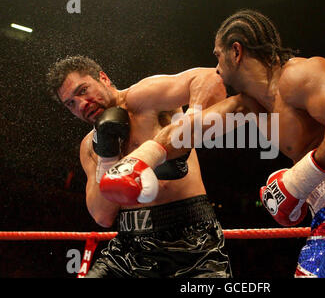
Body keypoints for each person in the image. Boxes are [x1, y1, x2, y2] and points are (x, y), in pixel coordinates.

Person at [126, 9, 325, 277]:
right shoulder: (248, 105)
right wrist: (139, 161)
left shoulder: (298, 75)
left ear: (236, 51)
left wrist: (297, 181)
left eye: (218, 57)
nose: (216, 69)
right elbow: (185, 133)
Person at [46, 55, 232, 278]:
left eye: (83, 90)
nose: (82, 104)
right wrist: (107, 158)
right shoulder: (89, 146)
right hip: (127, 249)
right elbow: (102, 217)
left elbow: (210, 78)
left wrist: (187, 127)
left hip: (192, 242)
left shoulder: (144, 98)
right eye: (71, 103)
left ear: (103, 78)